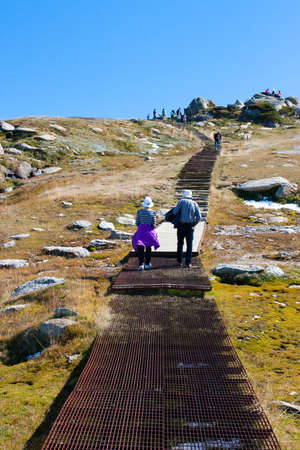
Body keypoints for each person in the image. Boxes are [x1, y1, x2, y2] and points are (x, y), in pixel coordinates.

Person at [173, 190, 202, 268]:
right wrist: (194, 224)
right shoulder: (195, 203)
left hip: (181, 225)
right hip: (190, 226)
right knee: (189, 244)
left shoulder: (181, 201)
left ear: (184, 196)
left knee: (180, 243)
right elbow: (199, 217)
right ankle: (188, 262)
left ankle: (179, 261)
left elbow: (175, 212)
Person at [132, 196, 160, 270]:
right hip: (149, 231)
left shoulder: (139, 212)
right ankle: (147, 264)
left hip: (141, 231)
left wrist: (141, 225)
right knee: (148, 248)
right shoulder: (153, 212)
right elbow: (153, 224)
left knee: (140, 247)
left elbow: (137, 223)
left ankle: (140, 264)